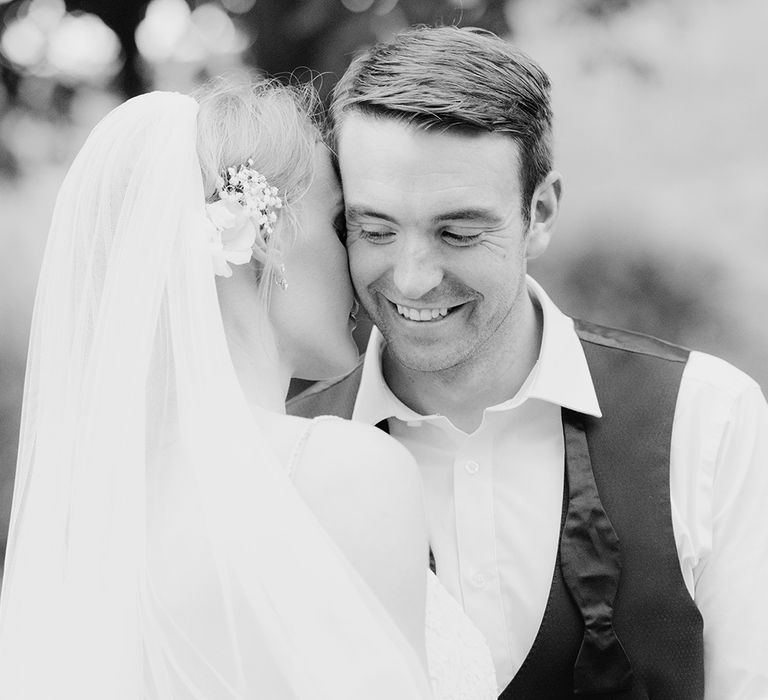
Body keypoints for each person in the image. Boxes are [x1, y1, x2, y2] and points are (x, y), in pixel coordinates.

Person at [287, 25, 768, 699]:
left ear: (539, 213)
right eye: (375, 229)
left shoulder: (708, 416)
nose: (413, 277)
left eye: (457, 231)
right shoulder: (280, 458)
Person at [0, 80, 497, 699]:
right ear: (268, 233)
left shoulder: (96, 504)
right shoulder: (343, 472)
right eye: (343, 223)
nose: (364, 270)